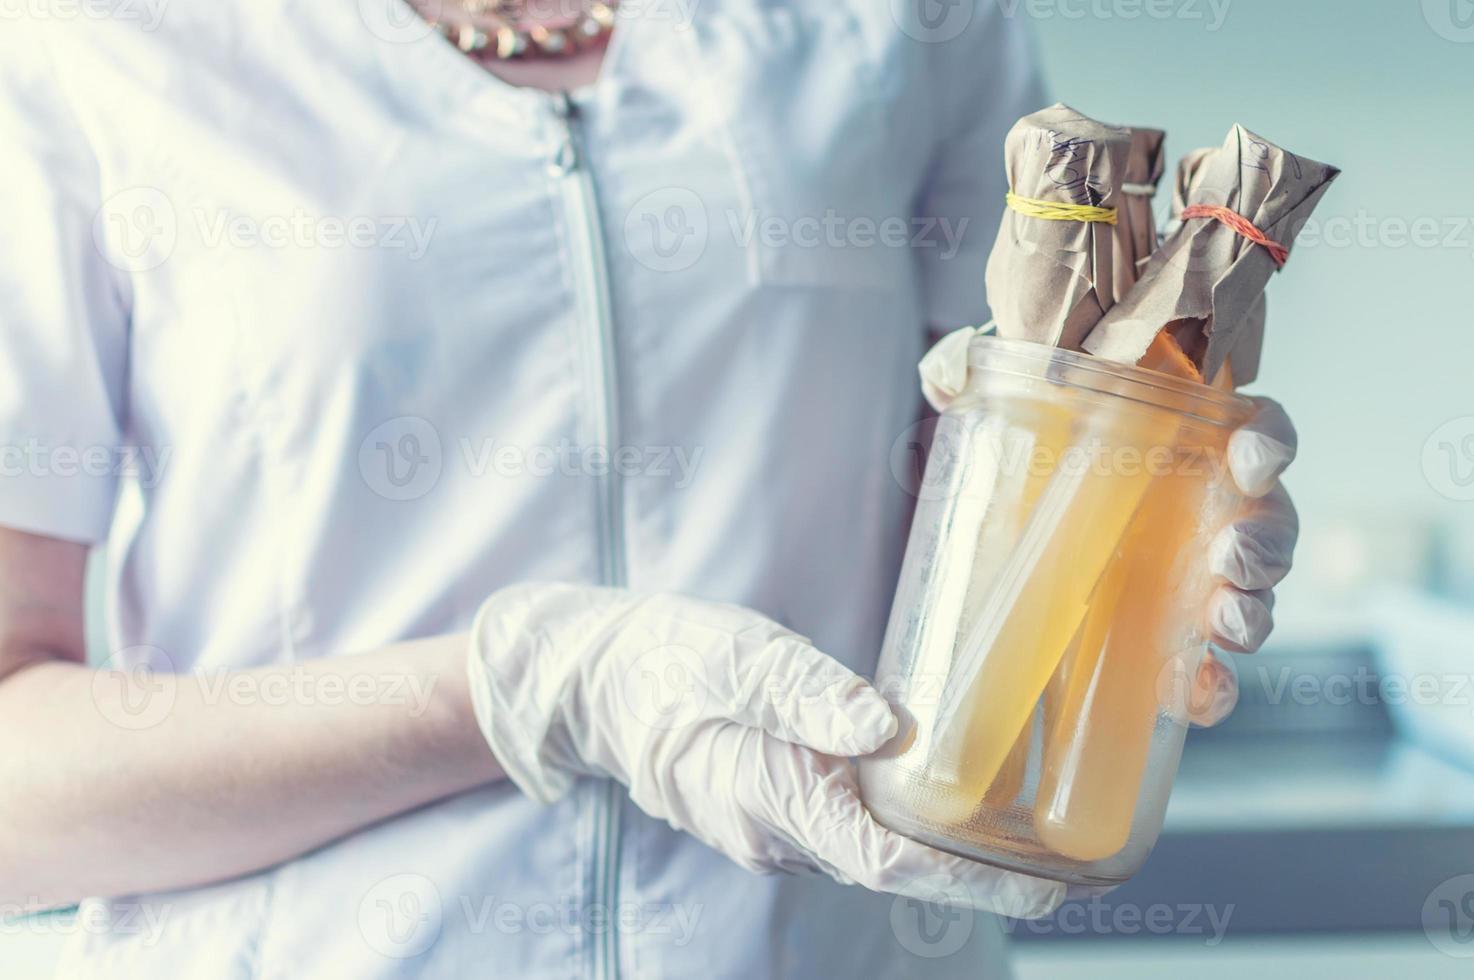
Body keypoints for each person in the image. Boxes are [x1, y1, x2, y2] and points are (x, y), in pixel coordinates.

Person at [0, 1, 1297, 976]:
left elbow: (987, 557)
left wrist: (1144, 527)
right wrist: (523, 681)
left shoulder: (892, 23)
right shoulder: (86, 43)